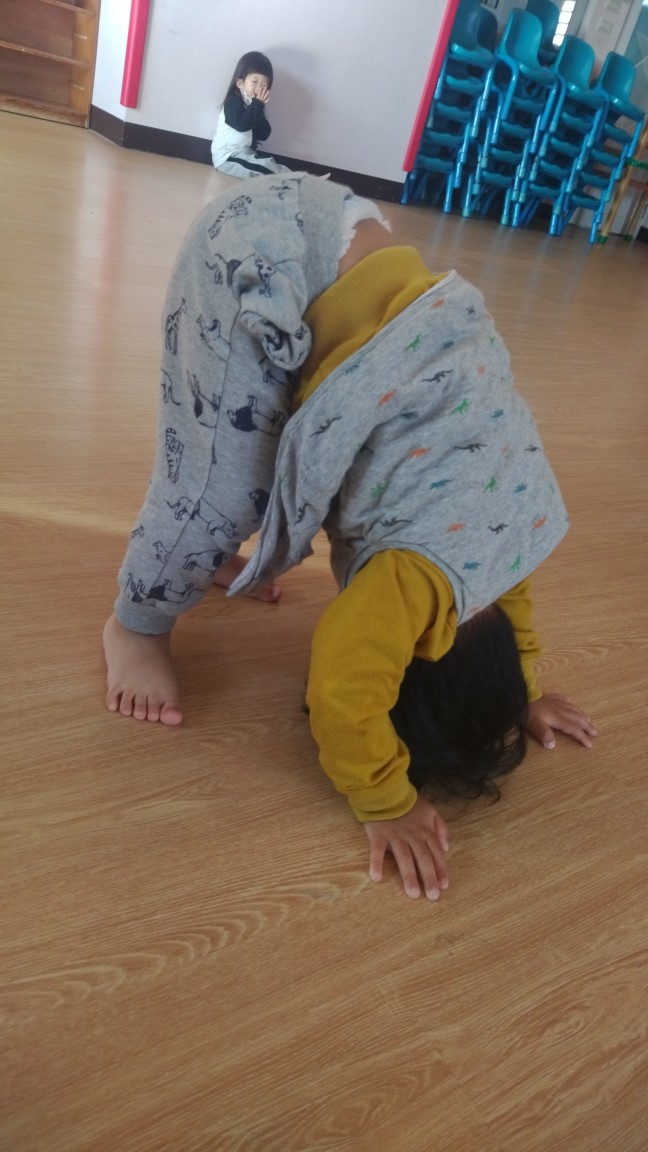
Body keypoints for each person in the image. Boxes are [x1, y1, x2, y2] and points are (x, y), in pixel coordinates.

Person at [103, 174, 597, 900]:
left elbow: (514, 605)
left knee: (255, 473)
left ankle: (203, 558)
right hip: (261, 261)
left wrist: (524, 693)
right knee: (215, 492)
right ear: (409, 654)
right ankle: (136, 625)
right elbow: (344, 689)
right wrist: (385, 800)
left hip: (345, 238)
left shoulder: (509, 541)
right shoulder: (411, 586)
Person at [211, 51, 292, 179]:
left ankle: (301, 180)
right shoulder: (232, 102)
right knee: (264, 166)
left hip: (245, 153)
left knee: (268, 162)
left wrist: (259, 107)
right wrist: (257, 105)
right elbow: (242, 125)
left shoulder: (254, 104)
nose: (258, 87)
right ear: (240, 83)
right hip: (227, 157)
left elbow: (264, 134)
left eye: (263, 85)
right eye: (254, 81)